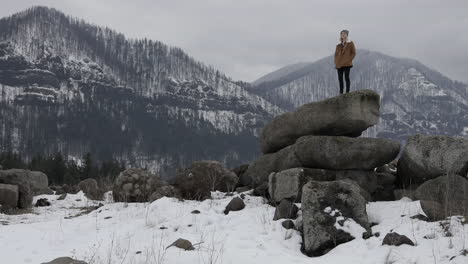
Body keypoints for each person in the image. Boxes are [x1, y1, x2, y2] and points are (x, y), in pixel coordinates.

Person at [334, 29, 356, 94]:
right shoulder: (338, 44)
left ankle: (347, 92)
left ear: (347, 35)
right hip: (339, 64)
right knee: (340, 79)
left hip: (347, 64)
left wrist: (349, 59)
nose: (343, 35)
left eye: (344, 34)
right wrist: (336, 61)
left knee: (347, 78)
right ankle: (341, 93)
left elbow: (354, 53)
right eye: (342, 34)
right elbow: (336, 54)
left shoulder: (350, 43)